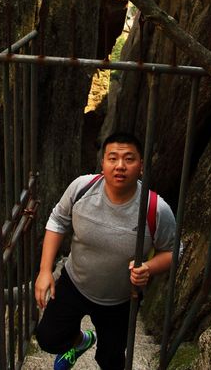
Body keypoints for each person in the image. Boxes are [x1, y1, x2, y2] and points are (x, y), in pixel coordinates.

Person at [35, 132, 178, 370]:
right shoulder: (81, 188)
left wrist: (148, 268)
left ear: (141, 166)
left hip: (120, 299)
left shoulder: (155, 209)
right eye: (113, 158)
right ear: (102, 163)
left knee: (111, 360)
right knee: (48, 338)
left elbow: (174, 251)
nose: (120, 166)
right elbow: (57, 220)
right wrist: (44, 270)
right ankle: (80, 342)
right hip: (75, 283)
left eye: (129, 159)